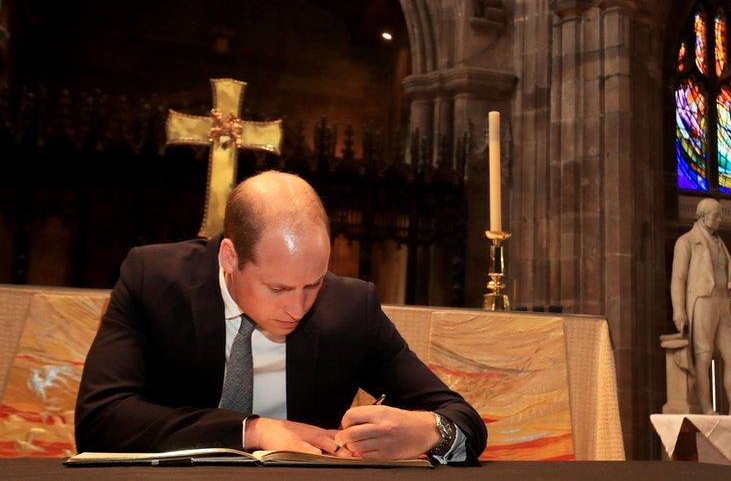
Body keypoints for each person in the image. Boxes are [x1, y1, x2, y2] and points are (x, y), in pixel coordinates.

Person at [75, 171, 485, 464]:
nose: (298, 307)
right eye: (278, 289)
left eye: (313, 283)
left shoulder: (351, 306)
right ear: (230, 257)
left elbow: (462, 417)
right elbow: (100, 418)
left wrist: (429, 431)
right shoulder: (155, 279)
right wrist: (252, 430)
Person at [669, 198, 731, 415]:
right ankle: (706, 408)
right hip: (702, 301)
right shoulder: (687, 241)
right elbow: (678, 278)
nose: (720, 219)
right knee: (703, 356)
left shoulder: (720, 243)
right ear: (702, 216)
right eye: (716, 215)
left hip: (722, 302)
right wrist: (679, 310)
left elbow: (721, 274)